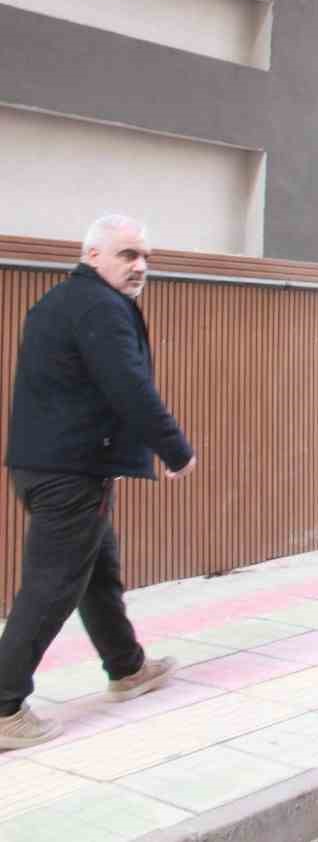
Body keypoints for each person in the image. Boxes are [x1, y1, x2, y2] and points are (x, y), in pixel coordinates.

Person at [0, 216, 197, 750]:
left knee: (96, 570)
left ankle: (127, 667)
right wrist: (175, 448)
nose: (140, 266)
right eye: (127, 254)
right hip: (72, 472)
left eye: (146, 257)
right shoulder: (102, 308)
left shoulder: (57, 302)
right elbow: (127, 386)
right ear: (92, 256)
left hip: (44, 465)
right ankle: (4, 706)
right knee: (51, 586)